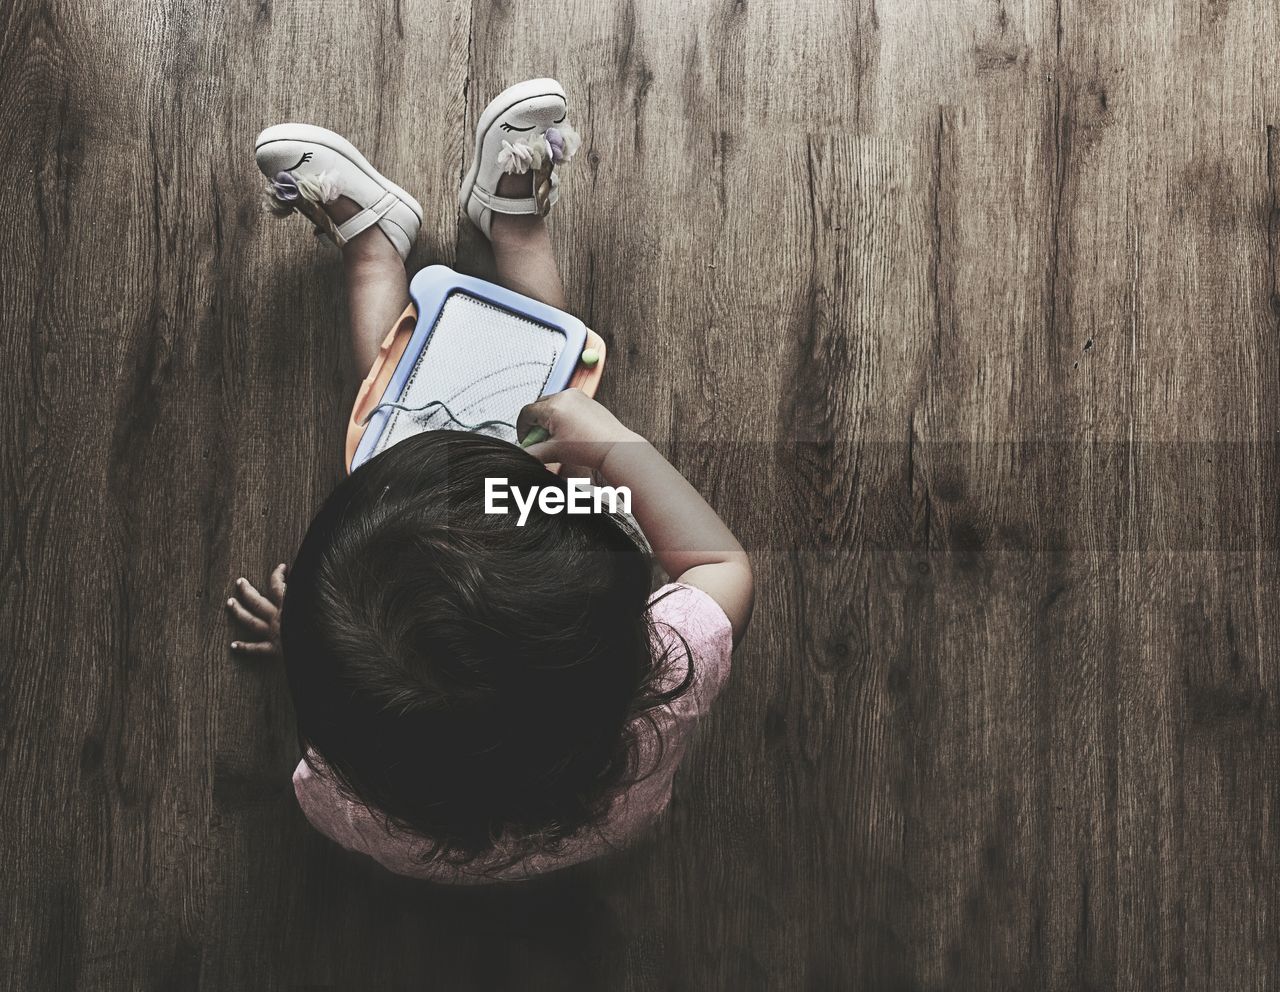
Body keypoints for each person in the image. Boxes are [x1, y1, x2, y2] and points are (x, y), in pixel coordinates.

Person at [227, 79, 753, 883]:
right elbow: (723, 567)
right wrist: (610, 451)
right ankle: (513, 224)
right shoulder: (659, 685)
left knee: (395, 412)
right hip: (550, 499)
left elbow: (338, 717)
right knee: (543, 395)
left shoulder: (351, 788)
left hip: (527, 522)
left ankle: (376, 245)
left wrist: (307, 633)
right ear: (628, 644)